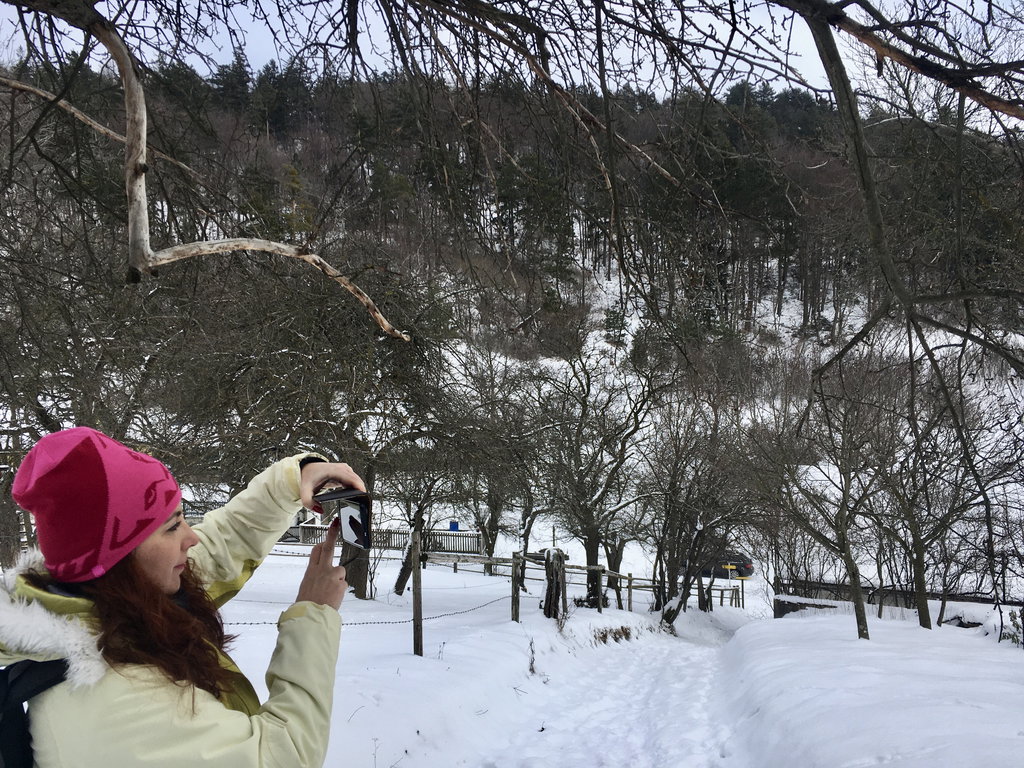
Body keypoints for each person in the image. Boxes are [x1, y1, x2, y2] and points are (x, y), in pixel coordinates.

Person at [0, 426, 360, 767]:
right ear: (119, 560)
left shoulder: (103, 603)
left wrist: (292, 481)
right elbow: (280, 756)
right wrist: (312, 617)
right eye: (173, 526)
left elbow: (221, 545)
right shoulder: (117, 699)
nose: (192, 538)